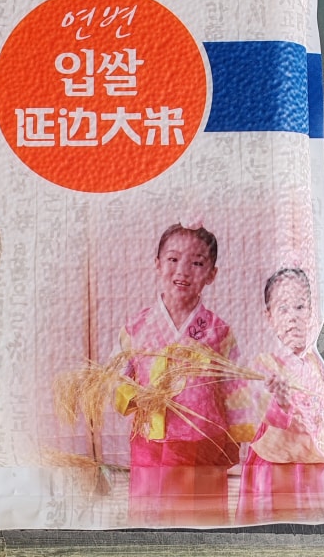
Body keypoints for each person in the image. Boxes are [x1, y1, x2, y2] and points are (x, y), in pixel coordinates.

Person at [115, 223, 252, 526]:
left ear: (212, 274)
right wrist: (135, 397)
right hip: (152, 441)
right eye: (173, 259)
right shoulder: (136, 327)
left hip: (204, 440)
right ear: (157, 264)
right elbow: (117, 378)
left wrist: (238, 438)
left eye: (197, 263)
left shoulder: (218, 331)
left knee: (201, 519)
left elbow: (235, 387)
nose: (183, 271)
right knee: (151, 519)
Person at [236, 267, 324, 524]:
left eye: (300, 307)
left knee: (316, 519)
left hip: (311, 456)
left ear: (312, 312)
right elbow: (255, 414)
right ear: (268, 316)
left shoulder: (313, 363)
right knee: (272, 520)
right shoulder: (264, 363)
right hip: (274, 460)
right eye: (283, 309)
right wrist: (280, 403)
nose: (293, 317)